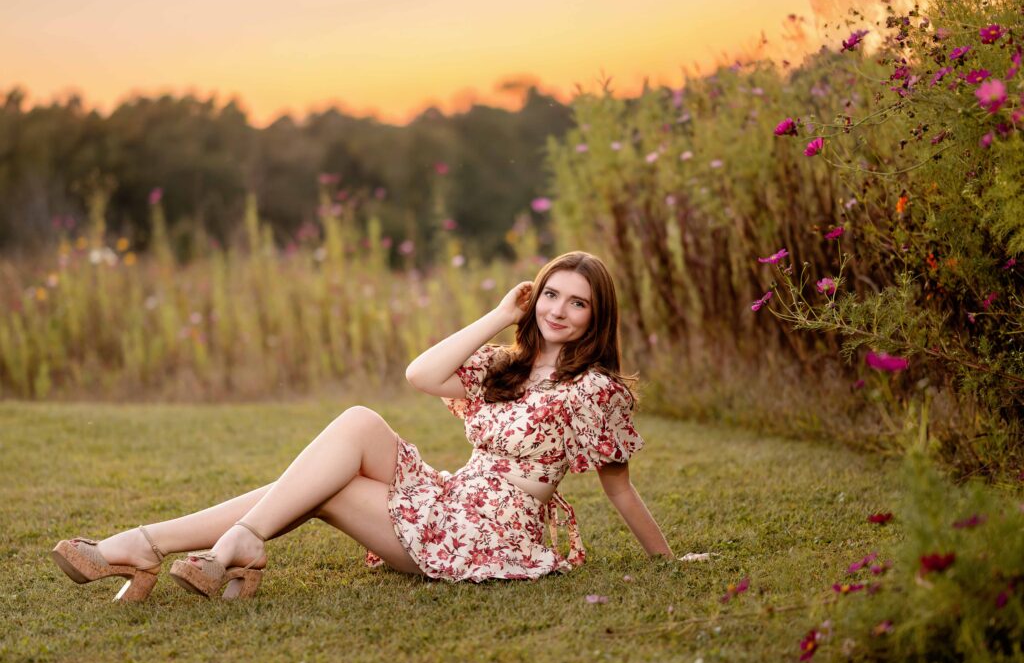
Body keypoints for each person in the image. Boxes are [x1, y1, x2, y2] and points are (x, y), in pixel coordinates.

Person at [50, 250, 673, 600]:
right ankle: (207, 547)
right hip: (453, 497)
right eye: (550, 295)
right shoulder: (506, 366)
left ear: (598, 317)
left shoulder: (595, 390)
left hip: (494, 531)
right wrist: (497, 314)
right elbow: (421, 374)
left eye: (578, 302)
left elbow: (618, 488)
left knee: (329, 486)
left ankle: (158, 546)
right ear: (534, 300)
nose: (559, 310)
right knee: (357, 423)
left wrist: (668, 561)